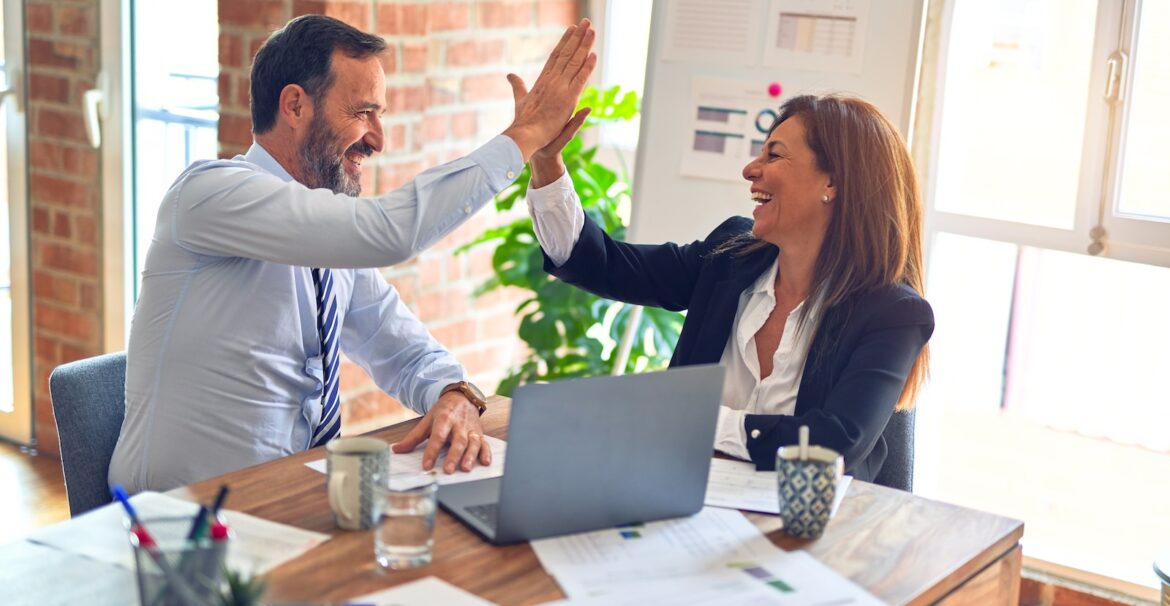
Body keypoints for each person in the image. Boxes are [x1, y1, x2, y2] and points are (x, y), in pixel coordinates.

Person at [109, 14, 596, 492]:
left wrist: (455, 393)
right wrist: (525, 135)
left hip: (289, 503)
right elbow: (390, 232)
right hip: (178, 524)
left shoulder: (327, 240)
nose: (378, 139)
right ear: (295, 106)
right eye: (364, 112)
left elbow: (401, 347)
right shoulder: (209, 195)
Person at [525, 94, 933, 482]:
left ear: (833, 183)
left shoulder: (893, 313)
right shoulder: (730, 256)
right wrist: (546, 161)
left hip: (809, 532)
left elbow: (832, 445)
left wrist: (694, 420)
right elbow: (603, 264)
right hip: (682, 500)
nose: (750, 169)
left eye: (773, 154)